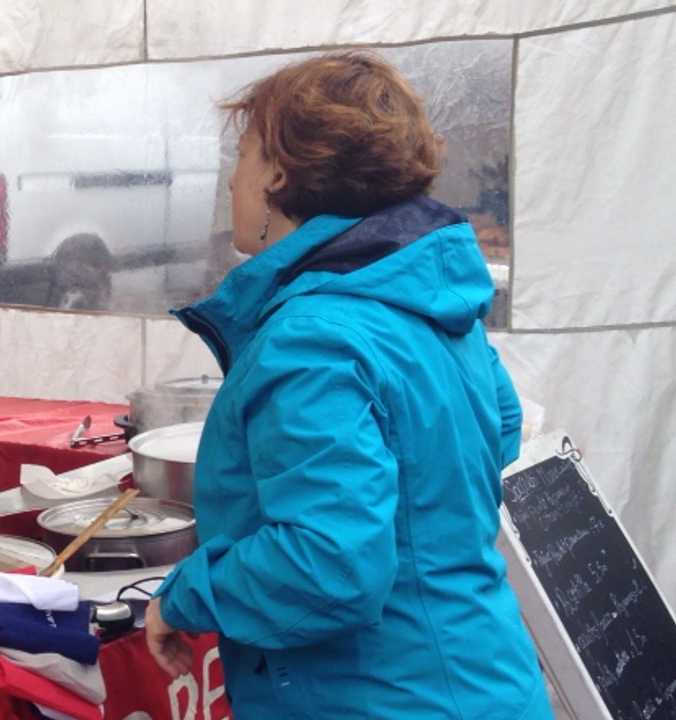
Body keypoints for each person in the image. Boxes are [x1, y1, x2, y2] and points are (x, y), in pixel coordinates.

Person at [144, 52, 554, 718]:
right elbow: (499, 430)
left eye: (243, 155)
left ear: (279, 171)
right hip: (484, 675)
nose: (231, 183)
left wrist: (187, 592)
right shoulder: (427, 296)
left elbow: (328, 563)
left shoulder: (313, 334)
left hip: (383, 697)